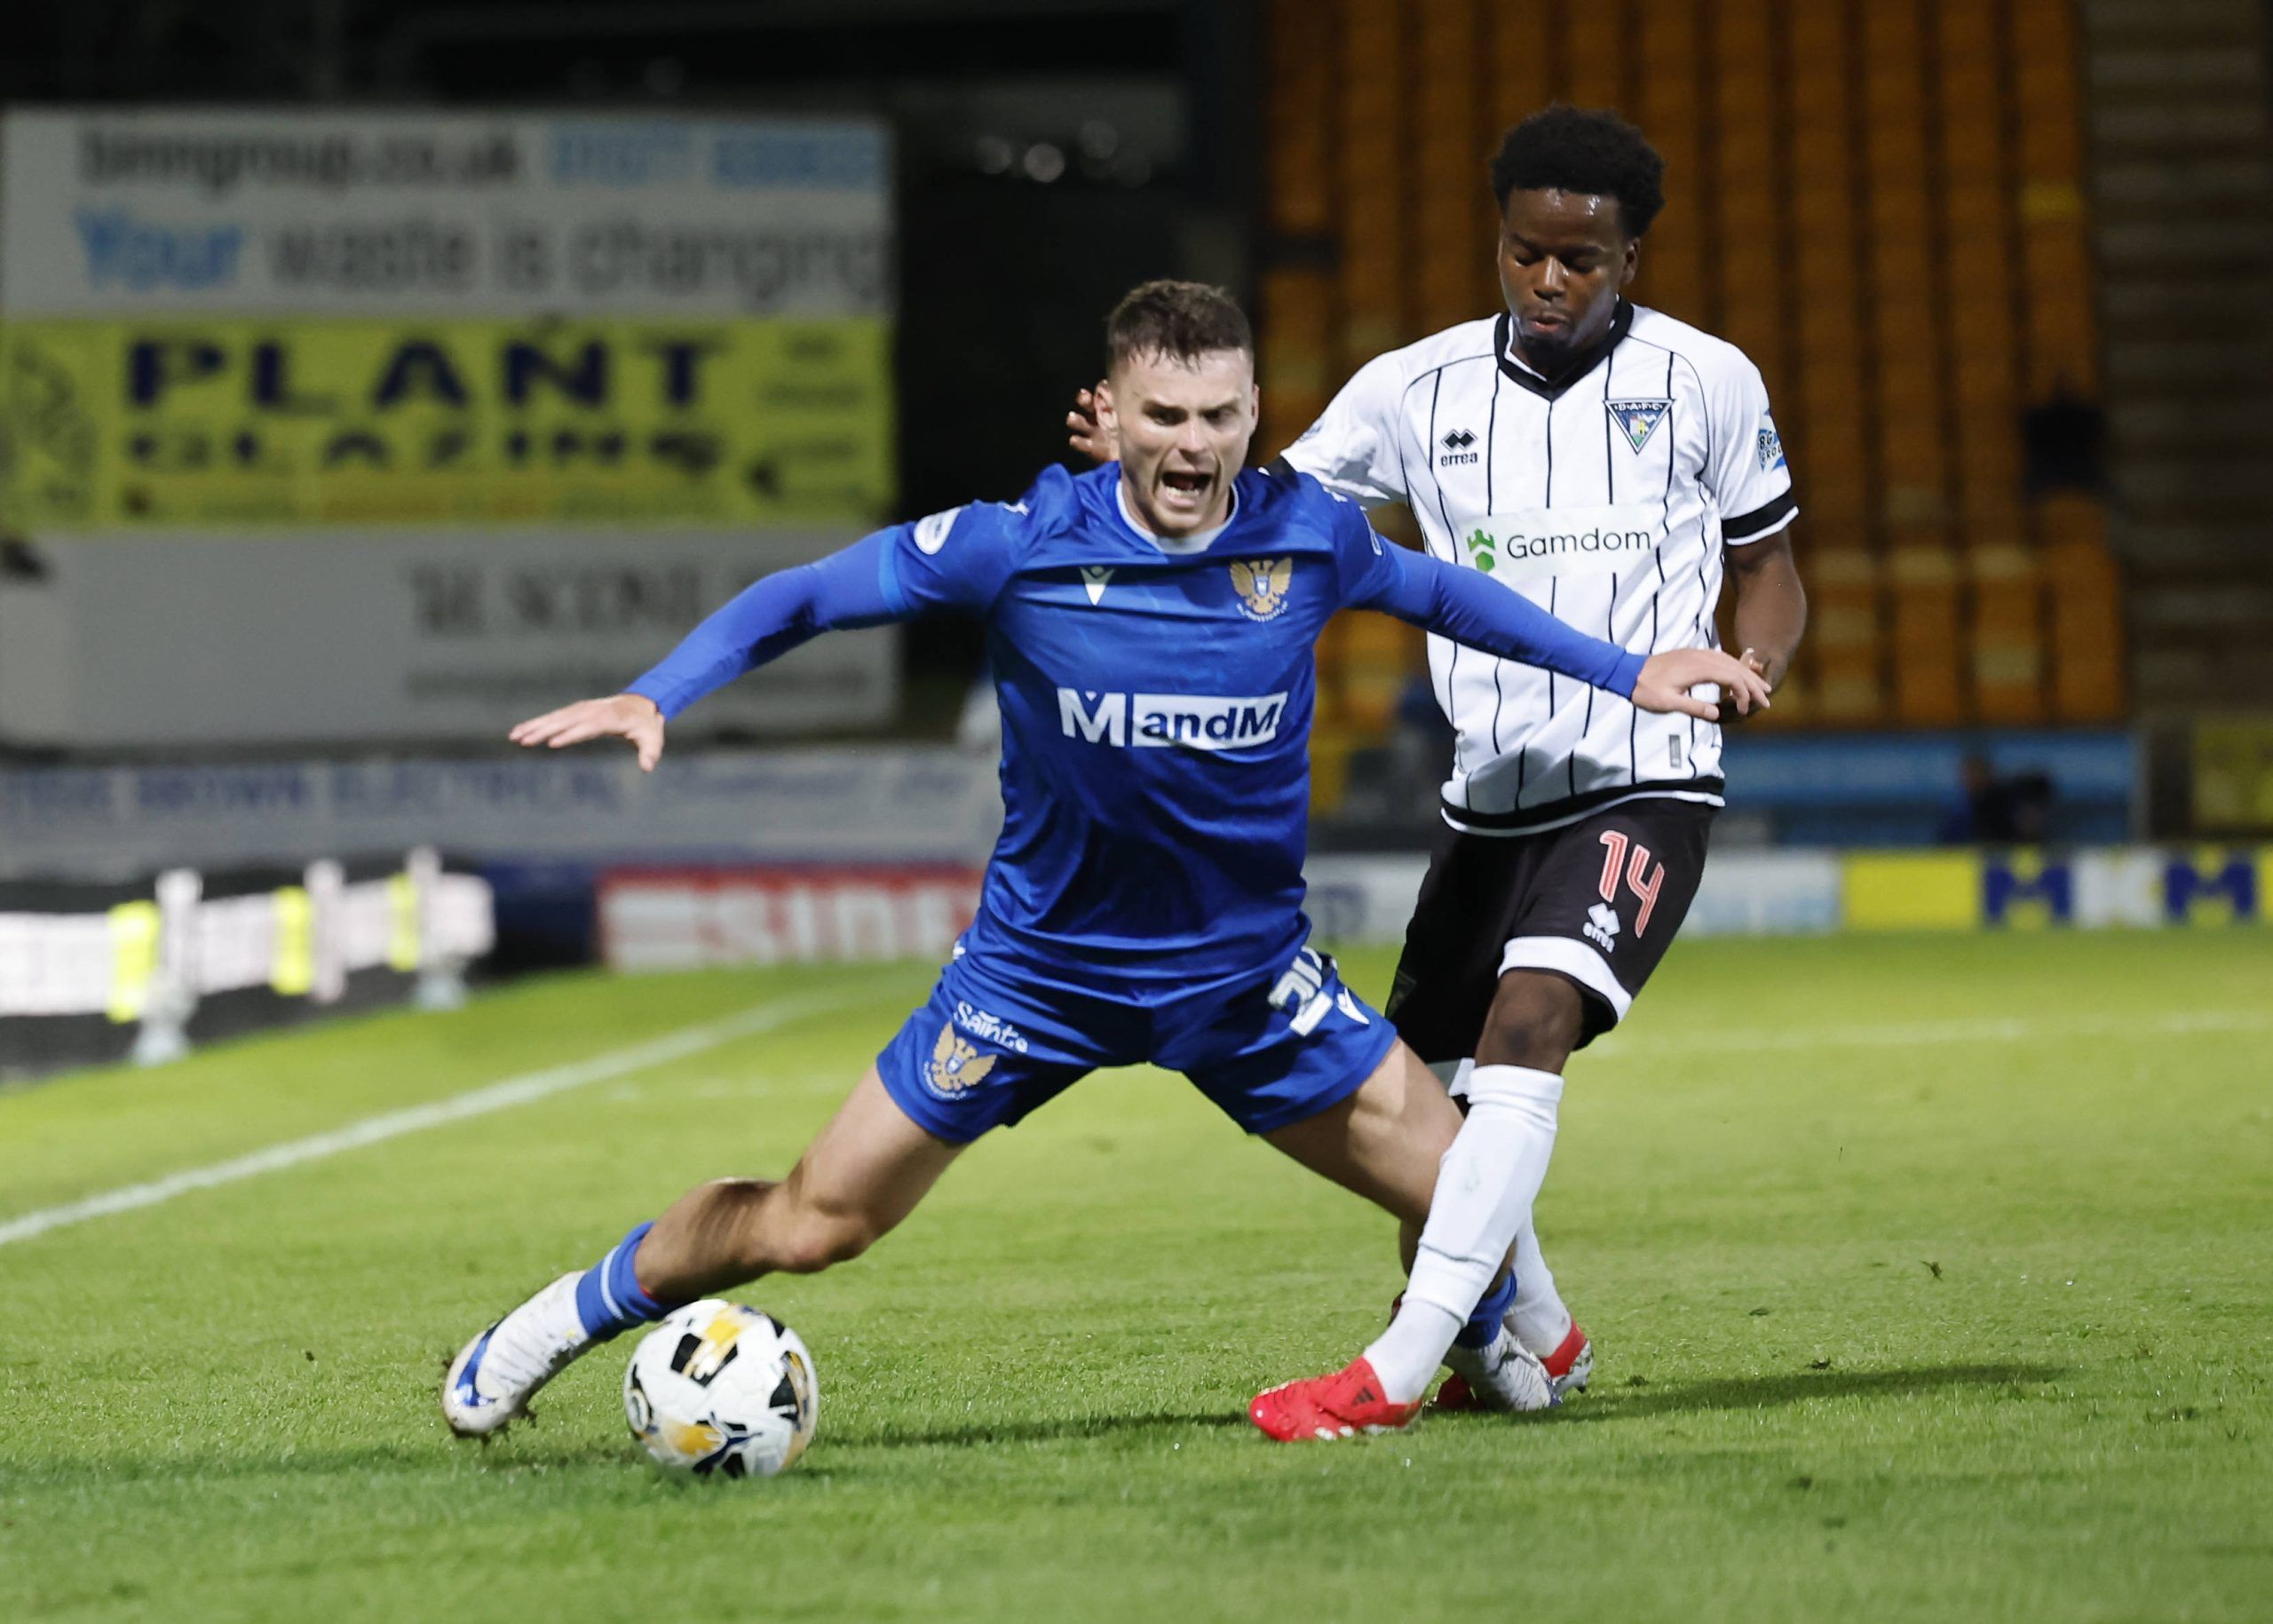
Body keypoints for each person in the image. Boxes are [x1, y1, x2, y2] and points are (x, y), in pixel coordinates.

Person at [440, 280, 1769, 1445]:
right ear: (1113, 413)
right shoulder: (1018, 544)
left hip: (1245, 983)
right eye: (1165, 418)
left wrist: (1628, 670)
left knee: (1467, 1198)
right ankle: (559, 1319)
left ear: (1256, 413)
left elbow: (1447, 594)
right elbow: (805, 594)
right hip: (1034, 979)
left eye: (1221, 418)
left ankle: (1497, 1347)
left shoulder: (1308, 533)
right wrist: (661, 688)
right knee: (812, 1223)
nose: (1194, 448)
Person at [1074, 107, 1810, 1438]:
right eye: (1526, 252)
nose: (1547, 279)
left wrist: (1752, 664)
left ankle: (1394, 1372)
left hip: (1646, 773)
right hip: (1489, 799)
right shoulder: (1411, 391)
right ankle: (1532, 1330)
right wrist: (1142, 461)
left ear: (1630, 257)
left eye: (1579, 260)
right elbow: (1272, 515)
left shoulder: (1710, 381)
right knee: (1414, 1113)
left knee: (1531, 1025)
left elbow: (1770, 569)